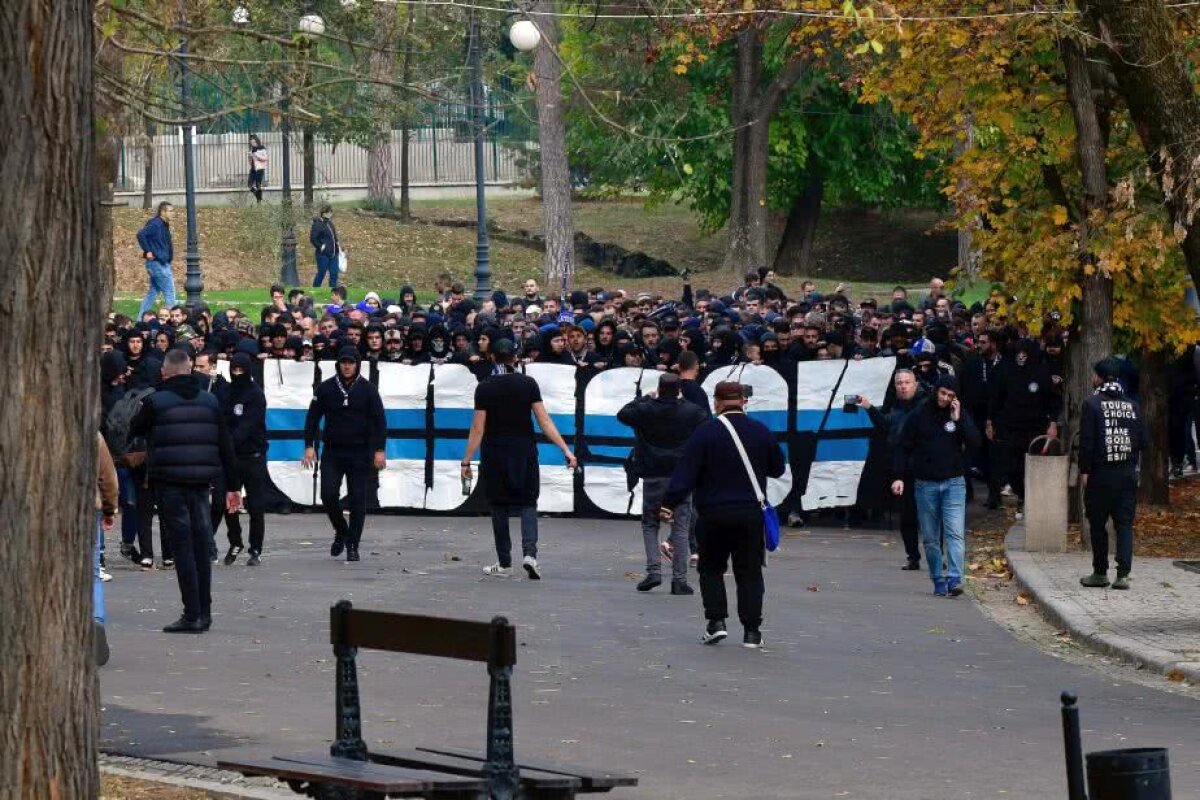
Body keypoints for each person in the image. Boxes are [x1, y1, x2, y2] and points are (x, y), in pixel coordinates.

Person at [661, 381, 785, 648]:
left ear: (716, 402)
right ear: (743, 401)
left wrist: (669, 503)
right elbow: (778, 468)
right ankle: (752, 631)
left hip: (713, 514)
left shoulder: (705, 432)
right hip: (750, 513)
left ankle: (716, 623)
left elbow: (686, 472)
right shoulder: (760, 431)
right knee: (750, 572)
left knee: (711, 568)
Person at [130, 348, 242, 633]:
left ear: (164, 372)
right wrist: (233, 486)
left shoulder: (155, 401)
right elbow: (226, 445)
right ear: (190, 369)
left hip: (169, 481)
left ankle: (192, 614)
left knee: (182, 547)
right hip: (202, 481)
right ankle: (205, 611)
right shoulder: (210, 401)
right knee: (201, 545)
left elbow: (135, 429)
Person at [460, 338, 577, 579]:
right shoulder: (528, 384)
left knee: (498, 505)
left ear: (492, 357)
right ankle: (530, 555)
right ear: (515, 358)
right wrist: (566, 450)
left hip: (495, 451)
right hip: (524, 450)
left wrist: (466, 460)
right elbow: (544, 420)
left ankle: (504, 563)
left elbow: (478, 428)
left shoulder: (485, 387)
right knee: (528, 502)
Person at [617, 373, 708, 595]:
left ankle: (654, 571)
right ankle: (679, 579)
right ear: (679, 391)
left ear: (659, 389)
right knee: (681, 526)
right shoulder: (691, 412)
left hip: (653, 474)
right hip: (681, 476)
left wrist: (645, 398)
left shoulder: (647, 409)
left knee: (650, 524)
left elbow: (623, 414)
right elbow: (705, 422)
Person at [892, 374, 981, 597]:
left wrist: (959, 420)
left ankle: (955, 578)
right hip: (926, 484)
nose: (945, 398)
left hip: (953, 482)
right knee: (931, 538)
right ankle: (937, 578)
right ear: (936, 391)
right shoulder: (919, 415)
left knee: (955, 533)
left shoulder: (958, 414)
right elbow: (903, 447)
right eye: (942, 393)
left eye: (950, 395)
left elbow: (975, 443)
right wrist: (898, 476)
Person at [302, 347, 386, 562]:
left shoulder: (368, 389)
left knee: (358, 498)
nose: (347, 366)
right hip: (333, 451)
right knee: (328, 494)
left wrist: (379, 450)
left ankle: (353, 544)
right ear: (338, 364)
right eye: (343, 362)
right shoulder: (326, 388)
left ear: (357, 364)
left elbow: (379, 421)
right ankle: (341, 530)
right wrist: (309, 445)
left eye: (351, 362)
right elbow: (312, 418)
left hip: (360, 452)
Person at [1079, 358, 1148, 590]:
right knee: (1124, 524)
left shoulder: (1091, 404)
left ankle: (1100, 573)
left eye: (1094, 375)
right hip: (1127, 474)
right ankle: (1123, 575)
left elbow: (1087, 442)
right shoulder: (1133, 406)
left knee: (1098, 524)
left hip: (1100, 474)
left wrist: (1084, 470)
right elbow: (1143, 441)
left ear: (1098, 378)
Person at [988, 338, 1061, 519]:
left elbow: (1053, 399)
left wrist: (1052, 423)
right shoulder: (1005, 370)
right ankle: (1021, 494)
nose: (1021, 357)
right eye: (1018, 353)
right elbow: (995, 398)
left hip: (1035, 428)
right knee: (1012, 467)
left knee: (1034, 466)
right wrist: (990, 422)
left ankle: (1031, 501)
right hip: (1010, 427)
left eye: (1025, 353)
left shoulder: (1041, 371)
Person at [866, 369, 927, 570]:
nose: (903, 386)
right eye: (899, 383)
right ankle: (913, 557)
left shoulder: (925, 406)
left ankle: (937, 556)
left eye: (907, 382)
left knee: (930, 517)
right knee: (907, 517)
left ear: (915, 384)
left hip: (925, 470)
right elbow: (886, 426)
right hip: (903, 470)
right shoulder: (896, 407)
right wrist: (869, 408)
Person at [217, 352, 270, 566]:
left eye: (241, 370)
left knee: (256, 505)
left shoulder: (256, 395)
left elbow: (247, 426)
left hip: (253, 456)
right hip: (231, 458)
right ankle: (235, 541)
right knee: (228, 502)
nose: (237, 374)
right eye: (234, 370)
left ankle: (255, 548)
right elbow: (221, 420)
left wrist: (227, 444)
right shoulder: (226, 392)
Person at [95, 433, 119, 665]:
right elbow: (107, 476)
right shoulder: (92, 433)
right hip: (88, 505)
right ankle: (96, 621)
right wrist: (109, 508)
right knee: (92, 573)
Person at [136, 202, 175, 319]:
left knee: (152, 293)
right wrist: (147, 251)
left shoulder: (163, 225)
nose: (173, 213)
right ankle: (173, 319)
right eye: (170, 211)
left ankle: (140, 320)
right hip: (158, 263)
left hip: (159, 262)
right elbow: (141, 234)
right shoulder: (156, 224)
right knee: (169, 292)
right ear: (162, 212)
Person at [310, 203, 340, 288]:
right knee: (321, 273)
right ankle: (315, 289)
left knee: (334, 273)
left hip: (334, 254)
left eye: (331, 212)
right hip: (323, 255)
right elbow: (313, 238)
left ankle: (333, 291)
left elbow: (334, 236)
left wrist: (338, 245)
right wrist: (320, 246)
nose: (331, 214)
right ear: (324, 213)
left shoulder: (330, 223)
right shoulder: (317, 224)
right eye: (329, 212)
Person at [247, 134, 268, 203]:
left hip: (260, 169)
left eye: (254, 142)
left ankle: (259, 202)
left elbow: (265, 158)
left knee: (258, 185)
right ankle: (258, 196)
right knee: (249, 185)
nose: (253, 144)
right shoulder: (252, 149)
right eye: (251, 143)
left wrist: (256, 155)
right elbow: (251, 162)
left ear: (257, 141)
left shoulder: (262, 148)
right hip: (253, 169)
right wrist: (249, 157)